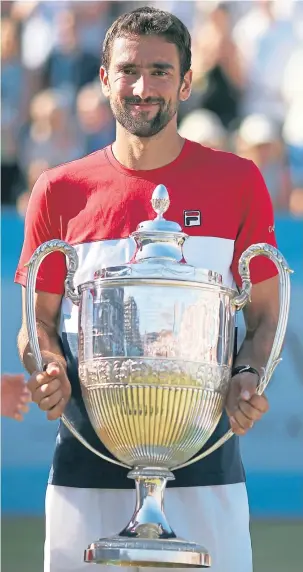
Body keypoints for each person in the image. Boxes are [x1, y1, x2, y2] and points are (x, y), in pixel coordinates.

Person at [15, 7, 280, 572]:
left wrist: (248, 374)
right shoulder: (59, 190)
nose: (143, 87)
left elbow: (262, 318)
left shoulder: (239, 182)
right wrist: (48, 365)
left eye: (161, 71)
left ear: (186, 81)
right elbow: (35, 322)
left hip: (206, 463)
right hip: (85, 466)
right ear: (105, 77)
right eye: (129, 70)